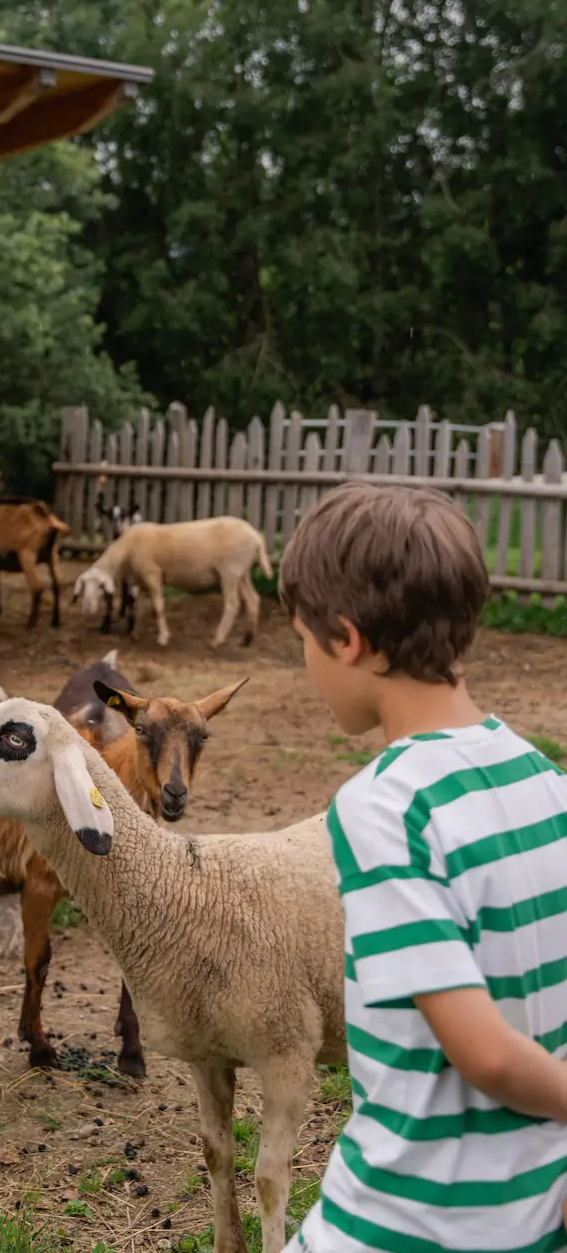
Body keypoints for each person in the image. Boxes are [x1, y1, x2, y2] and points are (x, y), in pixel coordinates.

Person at [280, 481, 567, 1253]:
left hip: (406, 1217)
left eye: (303, 639)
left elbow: (487, 1054)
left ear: (347, 639)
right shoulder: (543, 779)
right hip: (533, 1213)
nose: (306, 662)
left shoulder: (385, 807)